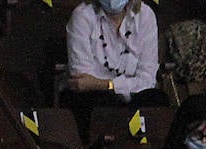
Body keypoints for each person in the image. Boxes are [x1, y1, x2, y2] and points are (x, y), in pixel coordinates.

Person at [62, 0, 165, 136]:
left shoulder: (145, 15)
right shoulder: (82, 16)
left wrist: (107, 84)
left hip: (133, 96)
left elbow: (147, 80)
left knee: (157, 99)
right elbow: (81, 81)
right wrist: (114, 87)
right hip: (95, 98)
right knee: (106, 103)